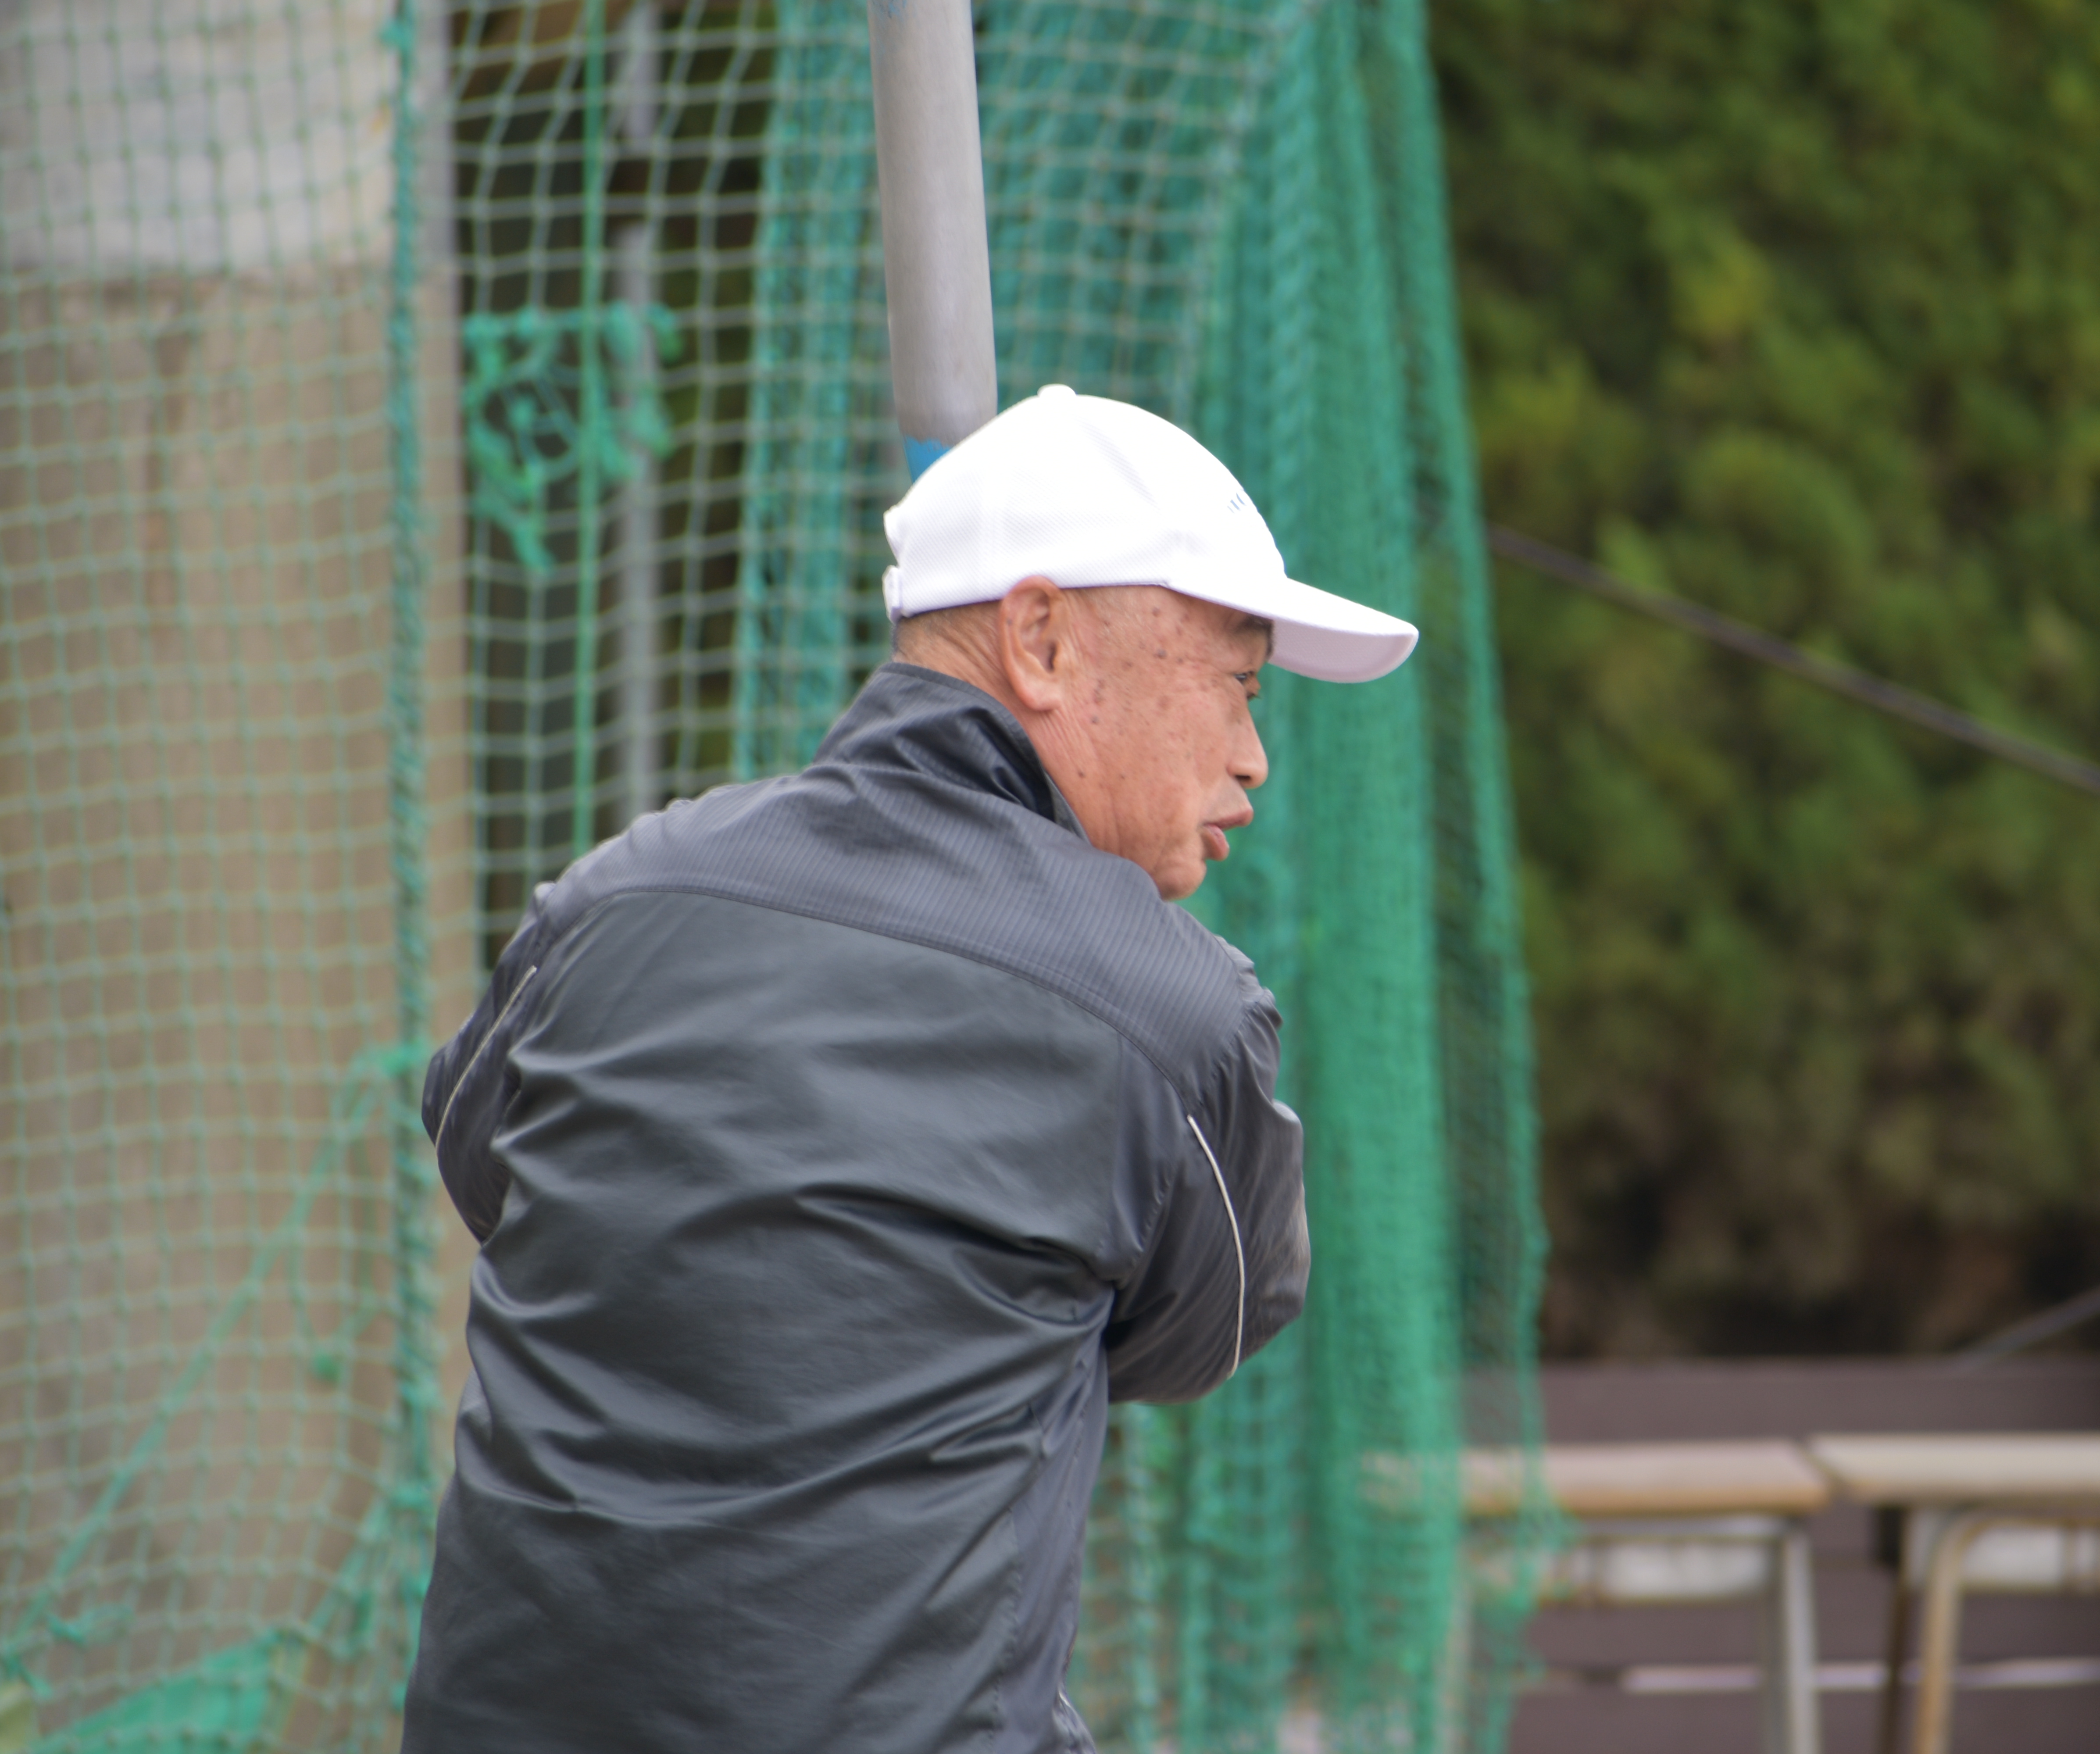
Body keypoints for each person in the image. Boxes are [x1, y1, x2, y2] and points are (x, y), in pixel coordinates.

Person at [401, 385, 1420, 1753]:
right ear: (1040, 639)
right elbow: (1198, 1335)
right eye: (1238, 684)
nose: (1255, 757)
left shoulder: (611, 901)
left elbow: (490, 1170)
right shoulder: (1172, 1013)